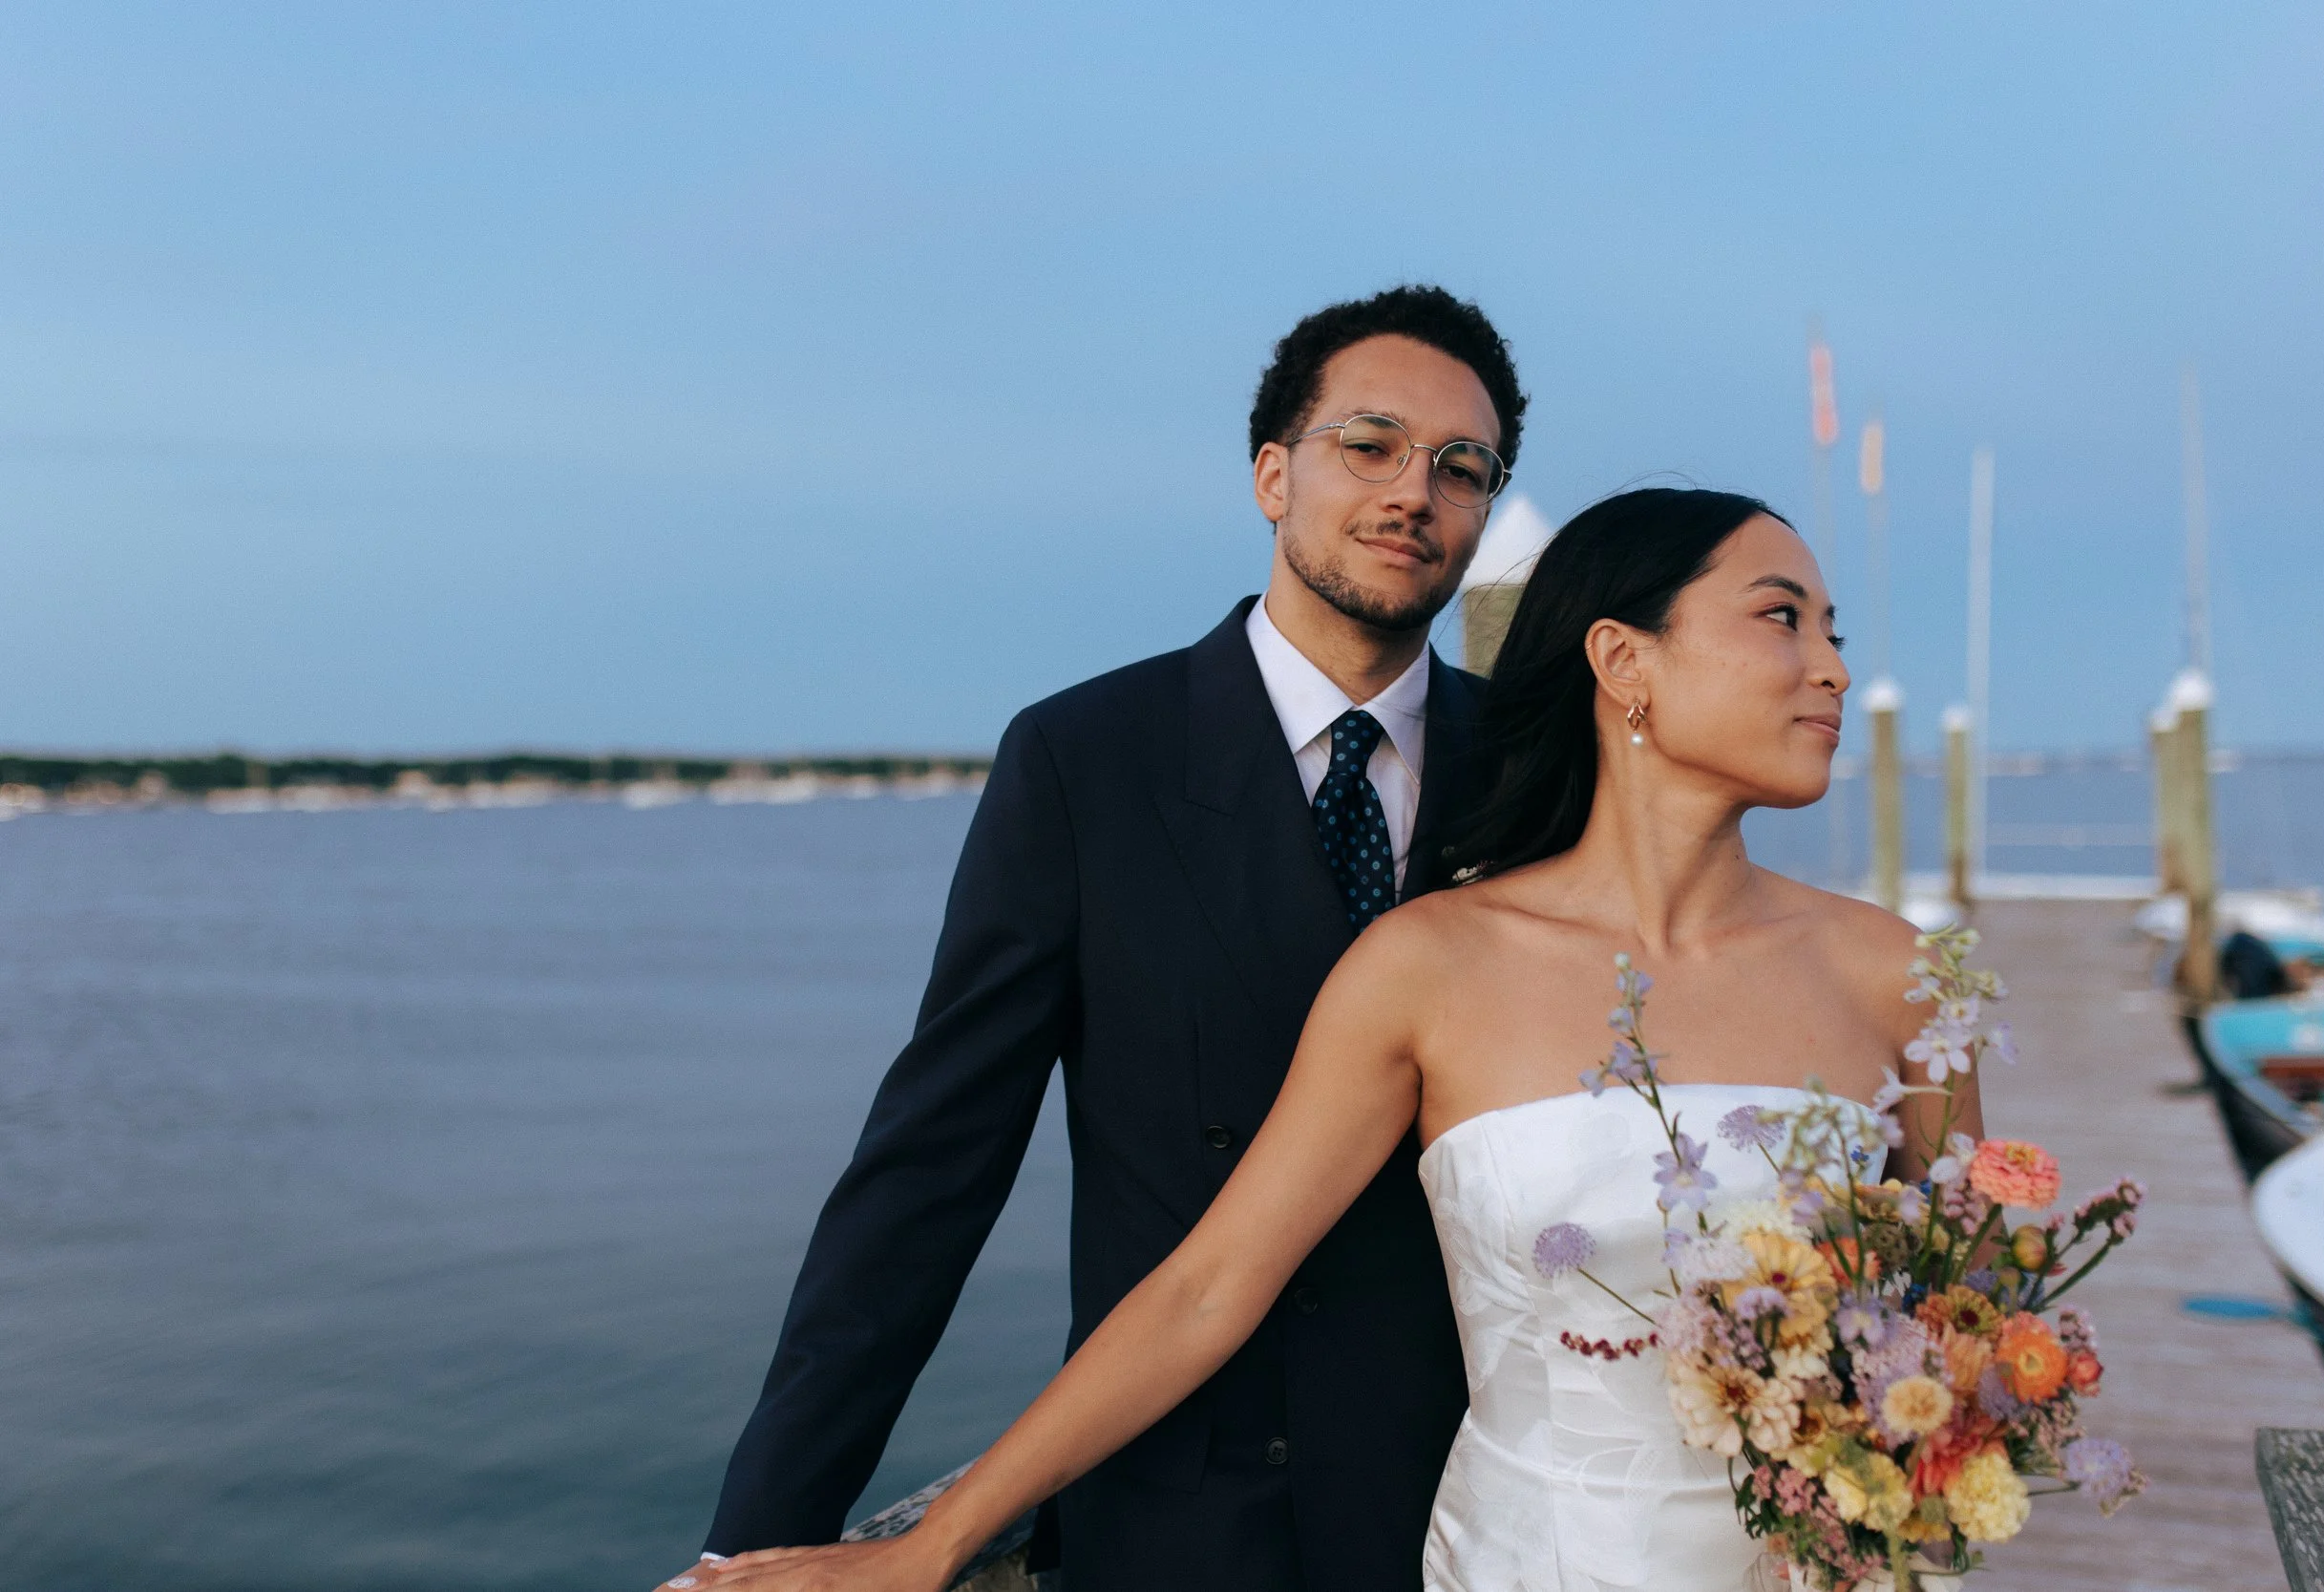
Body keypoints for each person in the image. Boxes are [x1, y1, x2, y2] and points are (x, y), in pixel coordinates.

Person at [691, 487, 1986, 1592]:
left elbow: (1974, 1319)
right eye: (1781, 617)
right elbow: (1210, 1286)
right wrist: (935, 1544)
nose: (1832, 666)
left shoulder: (1903, 978)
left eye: (1832, 631)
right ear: (1622, 661)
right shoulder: (1427, 964)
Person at [658, 285, 1528, 1592]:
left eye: (1463, 467)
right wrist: (761, 1528)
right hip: (1179, 1513)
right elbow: (934, 1162)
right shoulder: (1086, 759)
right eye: (1371, 443)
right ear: (1272, 473)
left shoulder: (1533, 776)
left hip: (1471, 1506)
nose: (1417, 490)